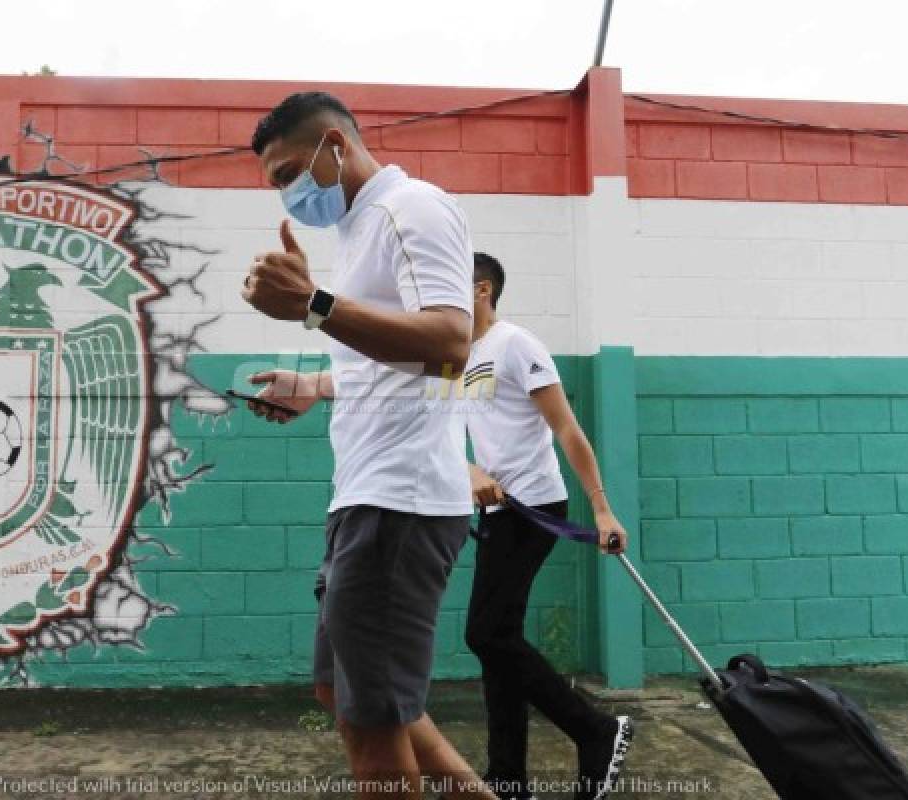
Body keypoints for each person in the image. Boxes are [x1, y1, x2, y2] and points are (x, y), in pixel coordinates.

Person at [241, 92, 496, 800]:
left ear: (336, 146)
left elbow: (450, 345)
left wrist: (314, 306)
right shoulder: (358, 230)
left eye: (289, 172)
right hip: (367, 497)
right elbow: (387, 367)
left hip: (399, 504)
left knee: (374, 724)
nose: (288, 193)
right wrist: (314, 385)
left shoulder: (411, 208)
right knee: (341, 692)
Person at [461, 252, 635, 800]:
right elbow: (440, 430)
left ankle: (596, 730)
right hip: (495, 511)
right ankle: (508, 779)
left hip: (534, 506)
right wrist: (466, 468)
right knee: (497, 643)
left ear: (482, 289)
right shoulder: (451, 354)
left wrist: (601, 507)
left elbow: (567, 429)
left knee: (486, 633)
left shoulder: (516, 344)